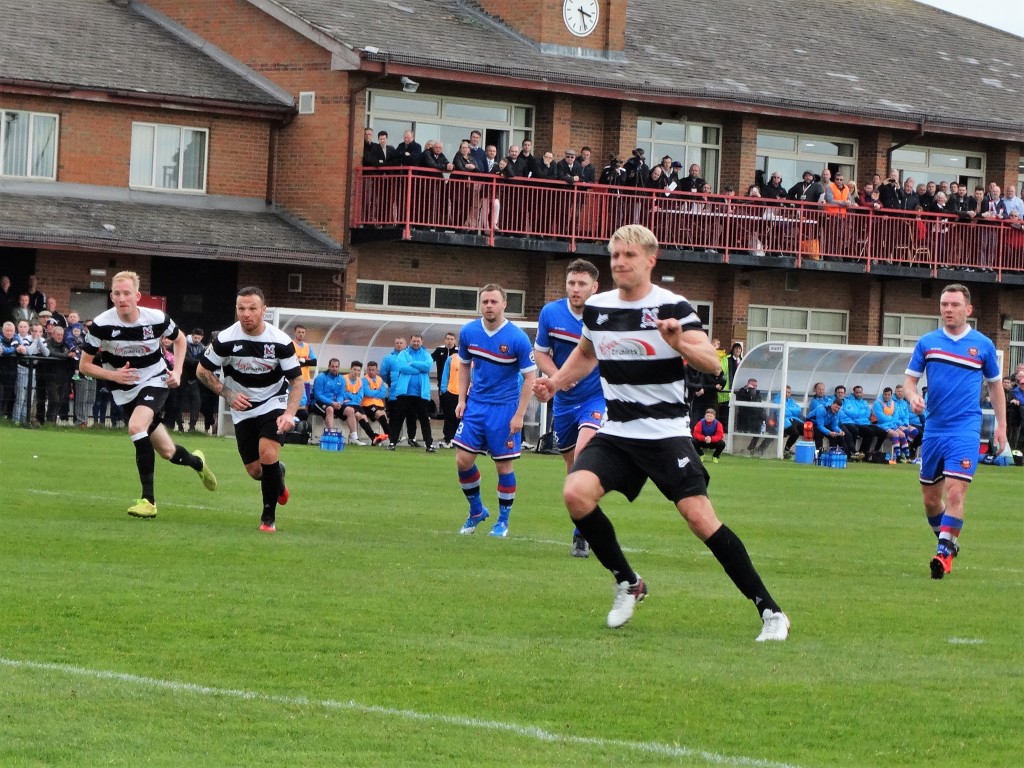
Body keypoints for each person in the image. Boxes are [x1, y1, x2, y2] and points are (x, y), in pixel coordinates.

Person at [533, 224, 789, 640]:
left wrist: (679, 343)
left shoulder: (674, 307)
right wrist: (555, 383)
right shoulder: (598, 308)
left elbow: (711, 361)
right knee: (575, 493)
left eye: (628, 256)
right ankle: (628, 582)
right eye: (615, 256)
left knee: (700, 519)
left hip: (666, 432)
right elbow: (587, 353)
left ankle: (771, 612)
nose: (619, 263)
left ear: (651, 260)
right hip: (617, 431)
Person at [79, 271, 217, 518]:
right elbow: (84, 366)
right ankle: (198, 462)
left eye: (127, 293)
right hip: (123, 390)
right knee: (168, 452)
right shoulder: (101, 324)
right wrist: (114, 376)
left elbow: (180, 340)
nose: (122, 298)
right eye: (117, 294)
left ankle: (148, 501)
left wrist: (176, 371)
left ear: (137, 296)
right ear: (112, 296)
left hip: (155, 379)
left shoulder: (156, 318)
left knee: (135, 427)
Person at [903, 284, 1005, 579]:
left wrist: (1002, 426)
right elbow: (909, 381)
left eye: (954, 305)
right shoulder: (927, 343)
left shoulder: (983, 345)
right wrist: (912, 398)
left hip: (965, 428)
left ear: (968, 309)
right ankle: (947, 541)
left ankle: (944, 554)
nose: (948, 309)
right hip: (934, 429)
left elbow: (996, 386)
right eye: (944, 304)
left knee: (956, 491)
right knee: (930, 499)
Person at [198, 286, 303, 533]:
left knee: (267, 453)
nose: (246, 314)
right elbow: (202, 372)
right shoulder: (224, 339)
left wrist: (289, 413)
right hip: (242, 409)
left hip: (273, 402)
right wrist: (227, 393)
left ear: (263, 311)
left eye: (252, 308)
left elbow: (296, 381)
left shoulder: (280, 342)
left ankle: (268, 519)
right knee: (256, 470)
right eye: (241, 308)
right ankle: (278, 474)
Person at [534, 258, 604, 558]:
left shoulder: (604, 315)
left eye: (582, 284)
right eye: (571, 284)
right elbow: (540, 353)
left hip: (596, 398)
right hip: (563, 403)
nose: (576, 289)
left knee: (584, 458)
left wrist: (571, 375)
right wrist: (556, 378)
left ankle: (582, 535)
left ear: (595, 287)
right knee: (573, 470)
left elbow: (603, 356)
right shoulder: (551, 313)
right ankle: (583, 524)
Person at [454, 284, 537, 537]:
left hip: (505, 409)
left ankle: (502, 521)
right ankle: (477, 510)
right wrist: (461, 400)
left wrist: (520, 414)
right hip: (476, 405)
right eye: (485, 301)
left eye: (493, 301)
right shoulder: (468, 332)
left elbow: (531, 378)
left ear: (504, 305)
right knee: (462, 460)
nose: (489, 306)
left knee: (503, 467)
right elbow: (465, 366)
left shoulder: (517, 337)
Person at [387, 334, 436, 452]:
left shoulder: (426, 354)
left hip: (421, 393)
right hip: (404, 393)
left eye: (418, 341)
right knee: (399, 418)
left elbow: (428, 366)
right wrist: (420, 368)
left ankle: (429, 445)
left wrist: (412, 363)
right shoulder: (403, 353)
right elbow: (403, 367)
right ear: (410, 341)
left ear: (422, 342)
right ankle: (392, 442)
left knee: (424, 419)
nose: (416, 343)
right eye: (414, 341)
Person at [360, 360, 390, 445]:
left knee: (383, 416)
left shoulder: (380, 380)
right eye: (369, 370)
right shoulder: (364, 380)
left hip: (379, 404)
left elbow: (384, 394)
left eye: (373, 370)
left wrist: (373, 392)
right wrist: (377, 392)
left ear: (377, 370)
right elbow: (367, 393)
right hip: (367, 404)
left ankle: (385, 437)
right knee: (380, 415)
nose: (371, 372)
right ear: (367, 370)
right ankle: (391, 436)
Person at [291, 325, 317, 400]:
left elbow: (314, 362)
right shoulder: (291, 345)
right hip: (294, 379)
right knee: (294, 401)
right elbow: (292, 362)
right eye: (299, 332)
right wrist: (306, 361)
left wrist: (302, 361)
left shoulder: (307, 346)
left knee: (306, 402)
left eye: (303, 332)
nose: (301, 334)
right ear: (295, 333)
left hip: (306, 379)